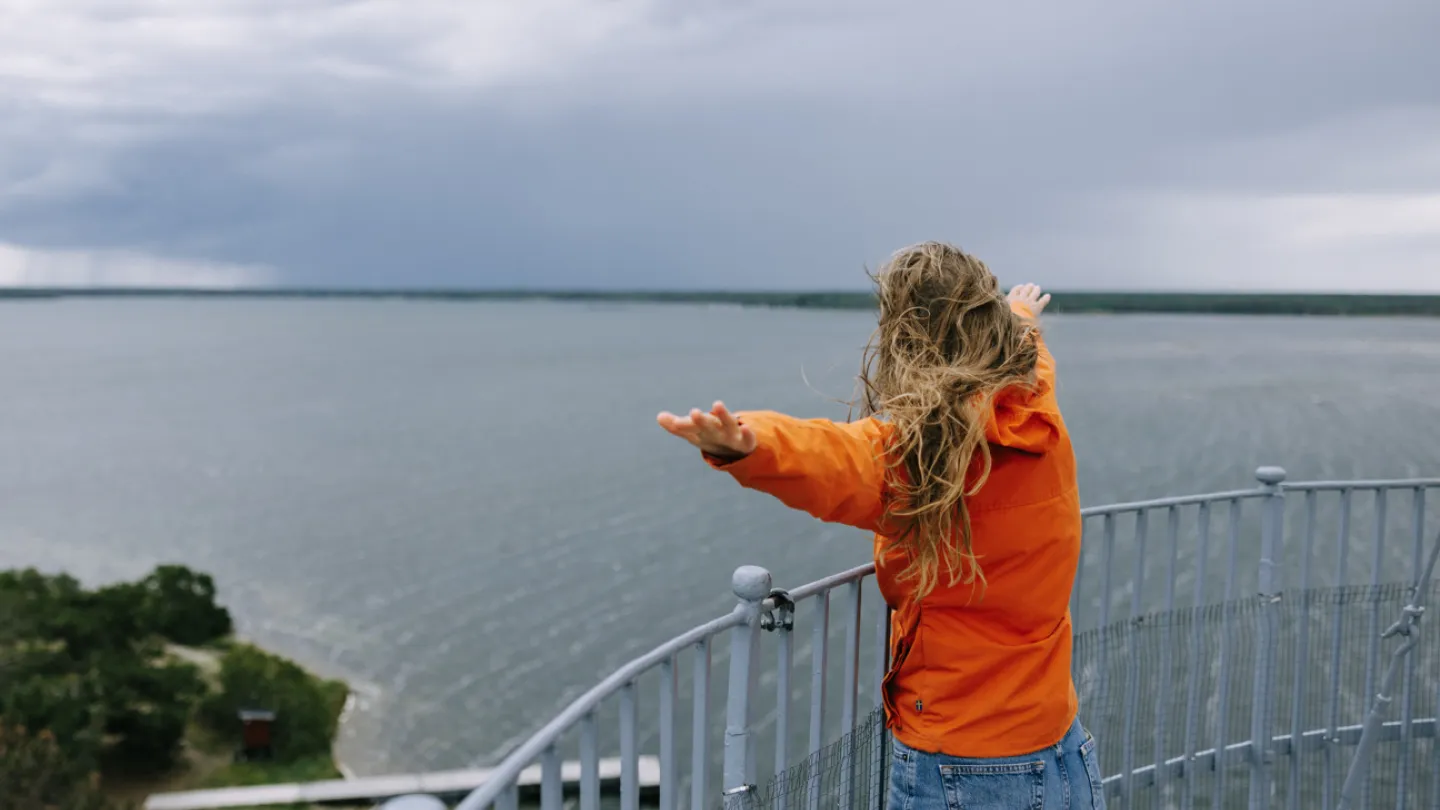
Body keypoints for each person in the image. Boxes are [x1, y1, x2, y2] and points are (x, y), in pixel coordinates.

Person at [657, 241, 1104, 809]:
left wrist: (749, 444)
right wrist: (1020, 316)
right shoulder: (1038, 406)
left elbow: (836, 457)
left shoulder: (925, 459)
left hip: (962, 766)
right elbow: (1030, 352)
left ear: (907, 337)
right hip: (1059, 746)